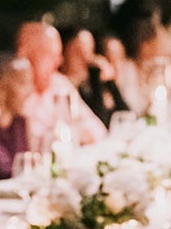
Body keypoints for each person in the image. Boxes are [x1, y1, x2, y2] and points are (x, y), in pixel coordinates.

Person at [15, 21, 107, 151]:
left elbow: (98, 131)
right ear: (23, 54)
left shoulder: (59, 83)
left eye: (59, 55)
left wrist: (65, 135)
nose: (59, 61)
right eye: (51, 55)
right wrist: (68, 135)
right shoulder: (3, 94)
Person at [61, 26, 127, 127]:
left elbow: (124, 115)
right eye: (79, 52)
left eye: (89, 51)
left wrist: (110, 83)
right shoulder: (59, 87)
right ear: (63, 52)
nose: (86, 59)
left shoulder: (84, 89)